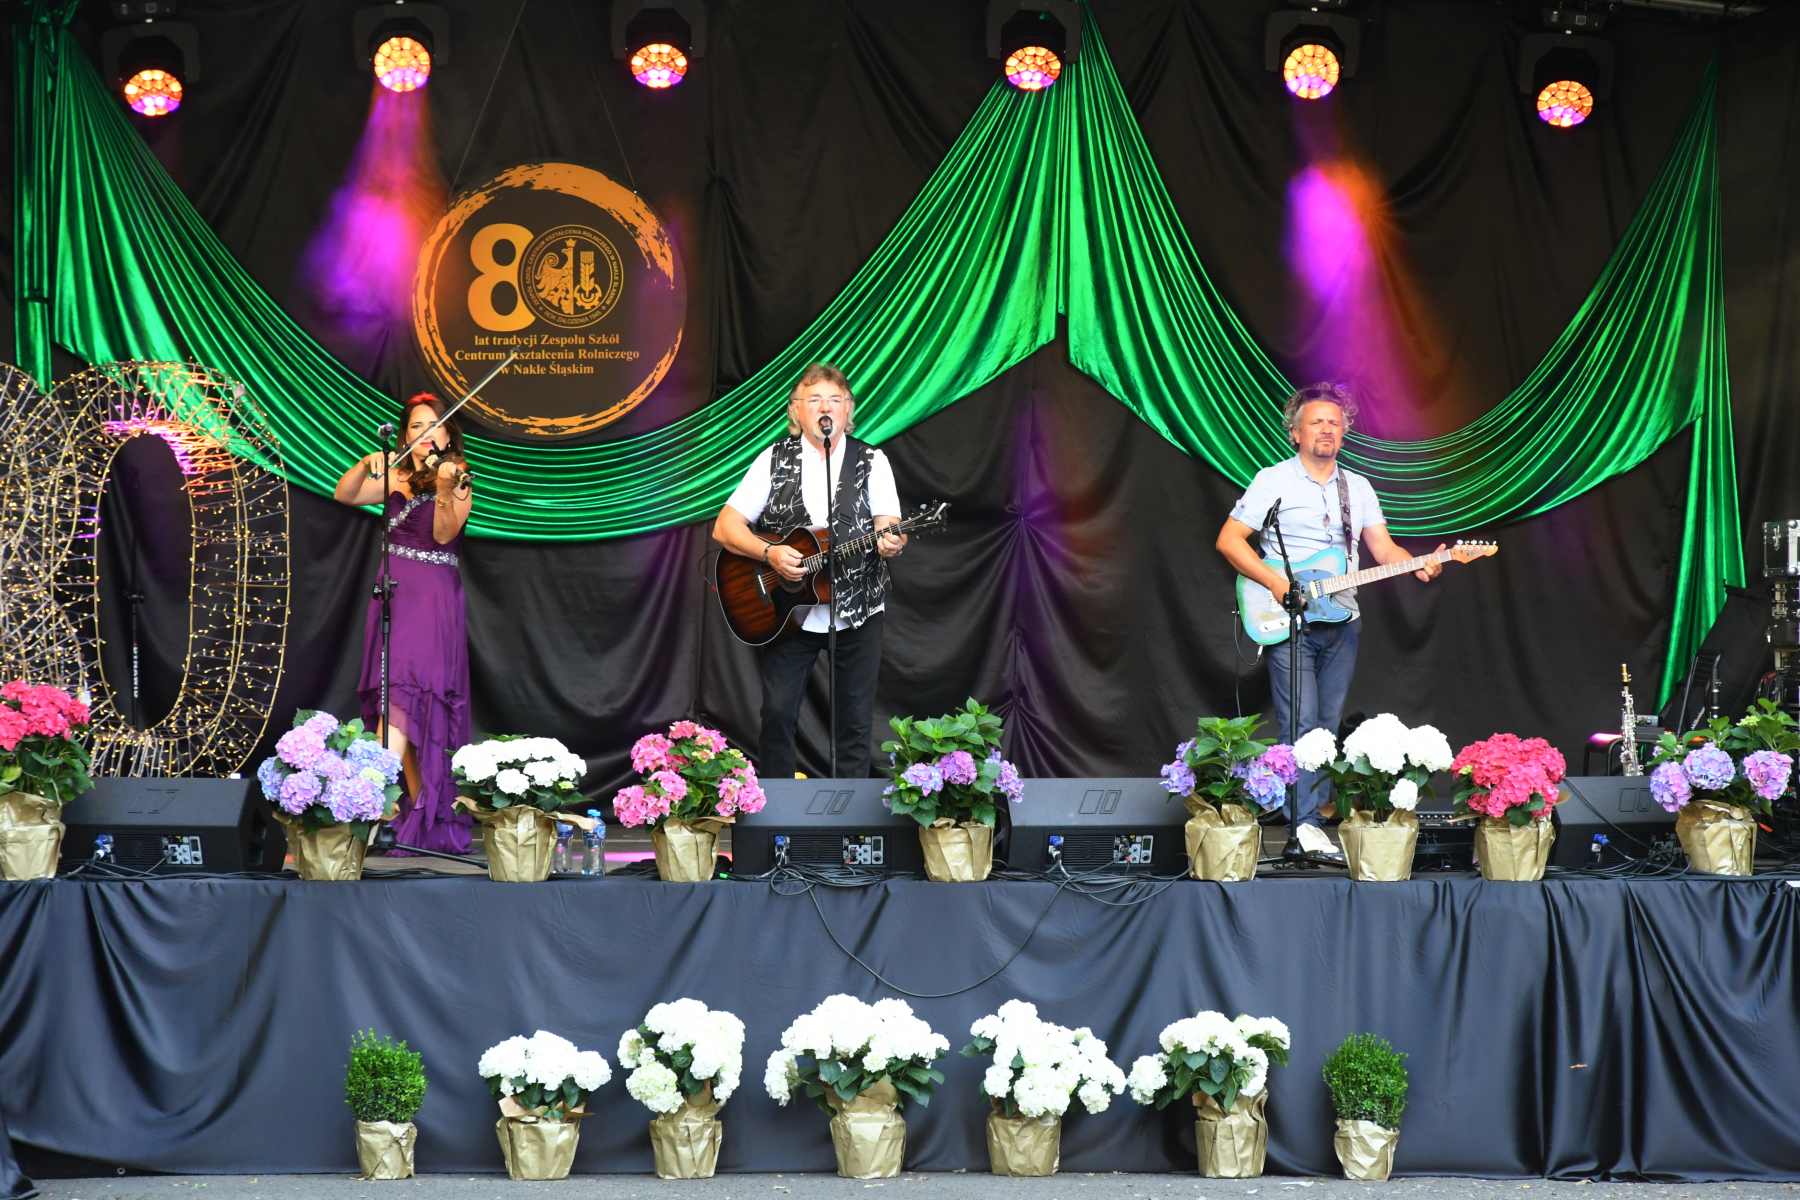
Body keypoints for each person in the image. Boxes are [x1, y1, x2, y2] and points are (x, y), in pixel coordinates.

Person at [1213, 383, 1444, 858]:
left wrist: (1419, 562)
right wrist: (1275, 583)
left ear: (1344, 433)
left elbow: (1383, 548)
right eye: (1316, 422)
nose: (1327, 429)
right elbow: (1230, 540)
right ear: (1295, 432)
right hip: (1289, 617)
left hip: (1342, 617)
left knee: (1324, 724)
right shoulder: (1273, 480)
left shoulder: (1357, 488)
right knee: (1298, 720)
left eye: (1335, 423)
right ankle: (1302, 824)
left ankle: (1313, 817)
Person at [712, 363, 906, 780]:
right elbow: (725, 527)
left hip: (858, 609)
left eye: (835, 400)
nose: (825, 407)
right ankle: (777, 809)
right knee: (777, 714)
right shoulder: (773, 460)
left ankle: (849, 816)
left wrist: (891, 541)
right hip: (788, 612)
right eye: (814, 399)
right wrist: (770, 554)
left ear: (848, 409)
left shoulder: (872, 461)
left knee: (855, 723)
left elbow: (888, 525)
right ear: (796, 410)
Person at [332, 394, 475, 853]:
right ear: (405, 435)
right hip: (393, 592)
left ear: (448, 434)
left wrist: (445, 490)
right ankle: (404, 812)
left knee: (407, 694)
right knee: (395, 696)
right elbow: (345, 494)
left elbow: (444, 534)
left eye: (435, 426)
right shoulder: (395, 474)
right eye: (416, 427)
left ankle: (371, 806)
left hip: (432, 597)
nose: (426, 434)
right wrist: (365, 463)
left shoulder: (458, 477)